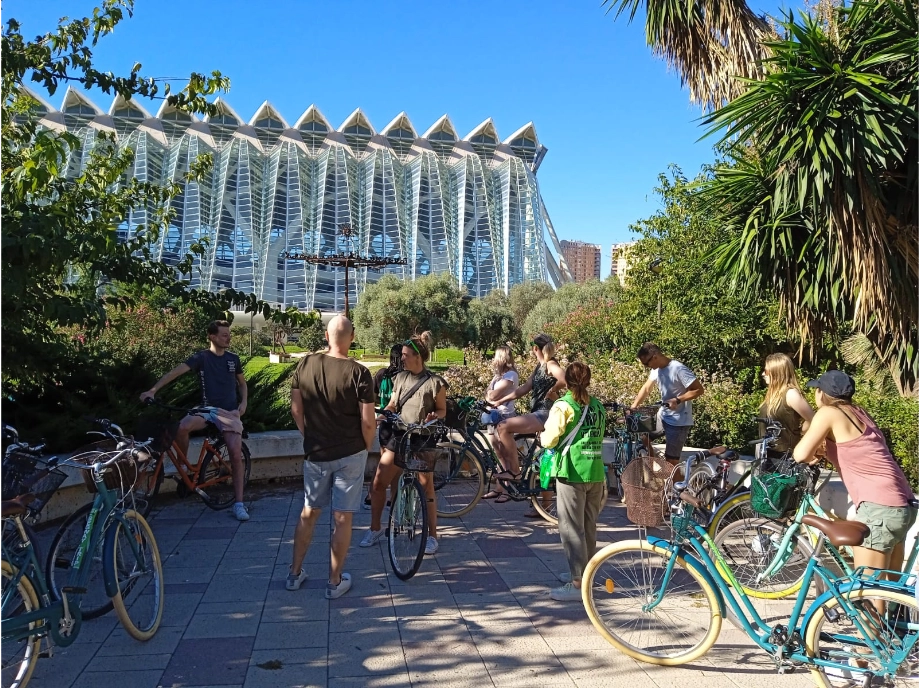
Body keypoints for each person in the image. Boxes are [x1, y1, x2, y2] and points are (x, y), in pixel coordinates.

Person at [793, 371, 916, 592]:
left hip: (880, 508)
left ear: (822, 393)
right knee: (891, 590)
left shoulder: (828, 412)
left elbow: (800, 454)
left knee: (868, 591)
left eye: (817, 389)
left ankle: (872, 617)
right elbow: (857, 451)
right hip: (901, 505)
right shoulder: (859, 413)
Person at [287, 315, 376, 598]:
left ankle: (294, 574)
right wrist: (364, 447)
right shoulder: (360, 373)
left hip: (316, 451)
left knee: (309, 511)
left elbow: (296, 410)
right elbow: (368, 422)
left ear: (326, 336)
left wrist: (309, 435)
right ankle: (334, 581)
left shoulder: (305, 364)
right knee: (342, 518)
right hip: (350, 451)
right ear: (352, 338)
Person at [140, 320, 250, 521]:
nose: (229, 338)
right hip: (206, 410)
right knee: (181, 427)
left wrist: (243, 403)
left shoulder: (233, 359)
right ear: (212, 337)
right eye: (224, 335)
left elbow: (242, 384)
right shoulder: (201, 357)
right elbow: (174, 372)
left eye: (229, 334)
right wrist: (152, 391)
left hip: (229, 413)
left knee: (235, 453)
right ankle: (184, 468)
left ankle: (239, 504)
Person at [360, 332, 447, 555]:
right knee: (378, 482)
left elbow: (442, 410)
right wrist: (384, 415)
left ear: (418, 357)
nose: (402, 359)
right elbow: (393, 404)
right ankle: (375, 528)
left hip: (422, 439)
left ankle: (432, 536)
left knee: (426, 487)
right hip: (400, 435)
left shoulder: (435, 382)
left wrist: (433, 417)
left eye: (406, 355)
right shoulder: (400, 378)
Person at [541, 361, 607, 601]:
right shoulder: (598, 406)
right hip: (595, 470)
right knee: (589, 526)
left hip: (571, 471)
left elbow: (549, 440)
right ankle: (586, 574)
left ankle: (578, 583)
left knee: (571, 528)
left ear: (566, 382)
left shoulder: (563, 406)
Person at [491, 334, 565, 486]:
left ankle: (514, 472)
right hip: (539, 412)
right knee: (543, 459)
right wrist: (501, 400)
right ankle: (541, 499)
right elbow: (524, 388)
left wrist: (553, 390)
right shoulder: (539, 367)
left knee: (503, 427)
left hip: (546, 413)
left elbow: (564, 380)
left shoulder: (550, 364)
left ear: (535, 348)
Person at [631, 342, 704, 466]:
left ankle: (676, 479)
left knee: (671, 462)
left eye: (646, 363)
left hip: (679, 421)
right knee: (644, 438)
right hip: (663, 416)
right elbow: (646, 388)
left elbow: (699, 390)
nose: (646, 367)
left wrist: (678, 400)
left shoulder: (678, 369)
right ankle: (652, 469)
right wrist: (634, 406)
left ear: (655, 357)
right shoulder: (656, 370)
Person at [481, 346, 520, 503]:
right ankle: (499, 488)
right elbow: (487, 394)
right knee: (498, 454)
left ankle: (508, 490)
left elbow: (493, 394)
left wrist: (491, 395)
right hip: (492, 415)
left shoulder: (511, 375)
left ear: (502, 358)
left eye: (496, 356)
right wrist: (490, 396)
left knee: (506, 454)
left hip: (504, 416)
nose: (493, 360)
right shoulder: (498, 376)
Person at [759, 353, 814, 453]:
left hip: (785, 456)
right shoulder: (773, 394)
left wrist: (800, 432)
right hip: (767, 453)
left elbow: (812, 419)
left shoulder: (791, 394)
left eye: (766, 371)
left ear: (777, 372)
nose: (763, 374)